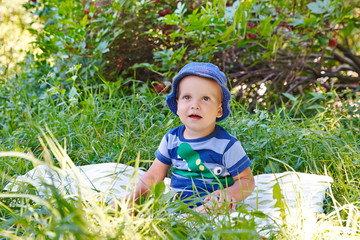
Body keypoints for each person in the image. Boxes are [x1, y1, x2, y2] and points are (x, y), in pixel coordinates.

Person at [124, 62, 254, 213]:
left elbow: (247, 180)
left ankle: (193, 221)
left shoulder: (227, 145)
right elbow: (153, 175)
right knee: (145, 209)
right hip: (177, 204)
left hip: (213, 204)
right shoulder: (171, 139)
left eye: (205, 98)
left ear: (219, 110)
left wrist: (228, 194)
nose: (195, 105)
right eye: (187, 97)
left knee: (213, 207)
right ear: (177, 105)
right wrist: (132, 199)